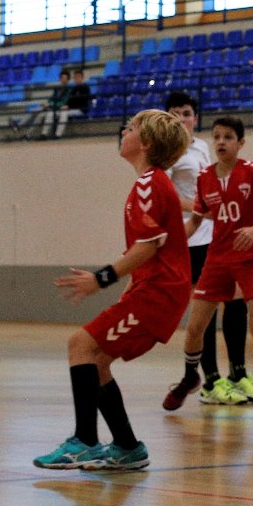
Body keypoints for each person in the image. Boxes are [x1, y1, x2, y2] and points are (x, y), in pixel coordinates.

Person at [34, 109, 191, 472]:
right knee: (98, 359)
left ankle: (85, 441)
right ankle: (126, 446)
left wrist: (99, 279)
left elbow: (148, 246)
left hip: (158, 295)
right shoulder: (150, 183)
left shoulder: (150, 183)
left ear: (146, 142)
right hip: (153, 292)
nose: (125, 130)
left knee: (80, 344)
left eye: (132, 128)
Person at [175, 116, 253, 421]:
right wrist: (170, 244)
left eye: (228, 137)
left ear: (241, 143)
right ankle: (191, 377)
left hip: (250, 257)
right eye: (217, 137)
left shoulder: (252, 171)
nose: (221, 142)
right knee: (196, 325)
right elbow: (197, 220)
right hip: (217, 259)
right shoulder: (205, 177)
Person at [161, 91, 249, 408]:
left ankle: (239, 375)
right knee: (206, 311)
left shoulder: (201, 147)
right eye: (174, 113)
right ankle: (211, 381)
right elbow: (168, 197)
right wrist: (200, 208)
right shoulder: (168, 153)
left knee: (238, 297)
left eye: (186, 113)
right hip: (190, 239)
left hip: (216, 235)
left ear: (195, 118)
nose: (181, 118)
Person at [47, 68, 93, 138]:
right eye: (75, 77)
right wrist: (67, 105)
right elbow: (70, 100)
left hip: (81, 109)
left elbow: (82, 101)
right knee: (54, 113)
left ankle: (58, 135)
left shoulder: (85, 87)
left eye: (79, 77)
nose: (77, 79)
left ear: (82, 78)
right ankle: (48, 134)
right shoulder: (73, 89)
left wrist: (69, 106)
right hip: (72, 109)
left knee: (64, 113)